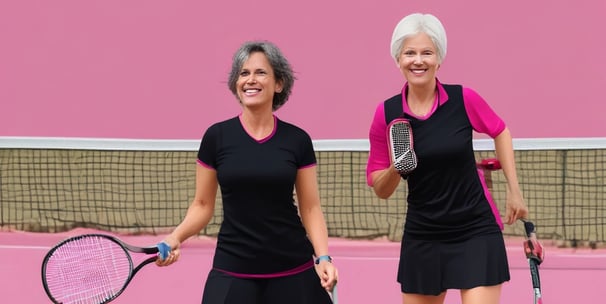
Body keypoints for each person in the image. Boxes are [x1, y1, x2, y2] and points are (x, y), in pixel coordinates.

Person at [156, 40, 338, 304]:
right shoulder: (216, 137)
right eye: (244, 73)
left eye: (260, 72)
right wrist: (174, 238)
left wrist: (323, 257)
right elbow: (203, 204)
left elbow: (310, 207)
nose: (250, 80)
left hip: (293, 267)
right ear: (236, 84)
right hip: (233, 267)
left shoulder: (297, 140)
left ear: (278, 84)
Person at [366, 13, 529, 304]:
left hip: (475, 229)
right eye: (410, 53)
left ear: (439, 59)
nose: (418, 61)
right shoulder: (387, 114)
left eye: (427, 53)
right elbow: (381, 189)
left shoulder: (463, 99)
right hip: (423, 234)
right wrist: (397, 167)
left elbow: (500, 130)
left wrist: (513, 191)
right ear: (398, 60)